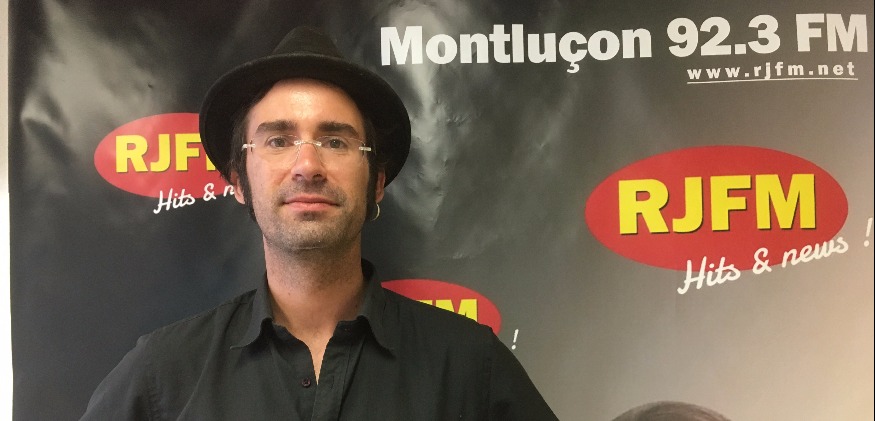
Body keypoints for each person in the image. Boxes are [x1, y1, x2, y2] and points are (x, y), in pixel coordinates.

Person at [81, 26, 557, 420]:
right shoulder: (164, 375)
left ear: (376, 183)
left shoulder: (470, 367)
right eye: (277, 141)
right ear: (239, 182)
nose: (307, 166)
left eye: (335, 142)